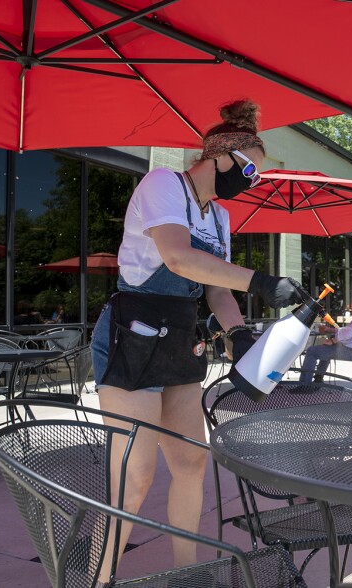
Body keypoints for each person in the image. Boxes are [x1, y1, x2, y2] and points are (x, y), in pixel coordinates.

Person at [90, 100, 305, 584]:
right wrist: (263, 282)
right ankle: (97, 580)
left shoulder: (221, 218)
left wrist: (239, 334)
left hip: (180, 339)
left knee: (191, 462)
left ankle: (189, 575)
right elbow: (179, 257)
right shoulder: (163, 184)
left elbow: (215, 289)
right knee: (133, 479)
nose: (251, 180)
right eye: (250, 168)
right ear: (219, 156)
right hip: (133, 334)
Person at [299, 293, 352, 383]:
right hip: (351, 350)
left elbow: (348, 333)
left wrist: (333, 341)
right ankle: (318, 380)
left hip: (350, 352)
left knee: (312, 351)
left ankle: (304, 385)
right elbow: (349, 330)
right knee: (324, 348)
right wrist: (331, 329)